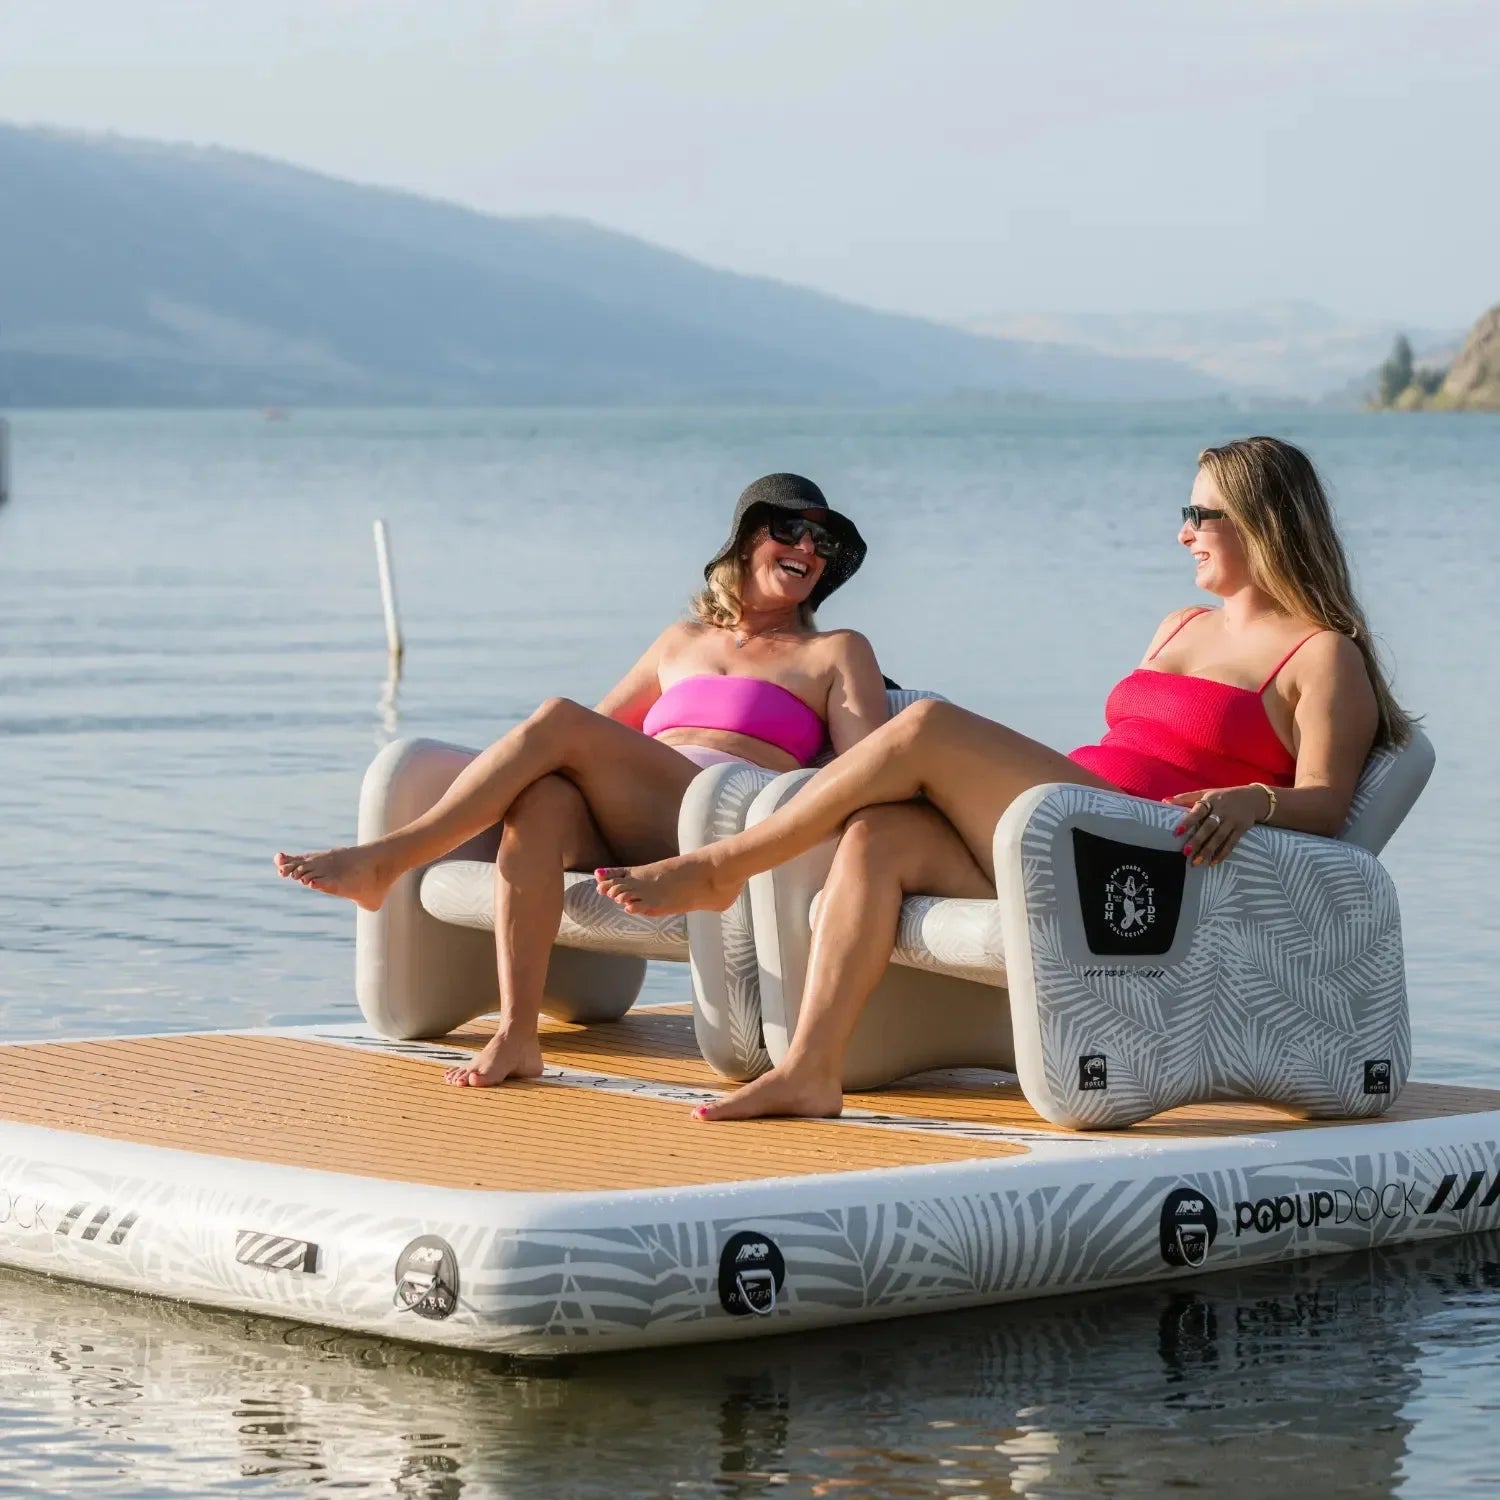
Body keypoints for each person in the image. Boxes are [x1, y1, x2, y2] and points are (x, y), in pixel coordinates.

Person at [596, 437, 1414, 1121]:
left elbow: (1331, 808)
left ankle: (722, 866)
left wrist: (1253, 799)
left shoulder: (1320, 654)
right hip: (1062, 832)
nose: (1184, 533)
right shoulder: (1181, 626)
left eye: (1203, 515)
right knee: (879, 836)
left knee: (921, 726)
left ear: (1264, 523)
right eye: (1185, 514)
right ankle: (812, 1068)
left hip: (1141, 848)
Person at [275, 473, 888, 1086]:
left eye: (823, 543)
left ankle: (390, 859)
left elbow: (865, 771)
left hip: (722, 821)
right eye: (792, 530)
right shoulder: (682, 641)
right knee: (542, 796)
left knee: (558, 721)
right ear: (748, 539)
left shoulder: (835, 650)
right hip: (634, 819)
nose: (808, 548)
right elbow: (593, 736)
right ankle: (517, 1034)